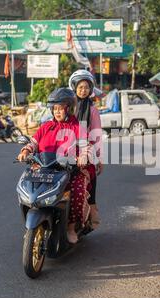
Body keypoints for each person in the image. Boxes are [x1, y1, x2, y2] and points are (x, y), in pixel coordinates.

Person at [17, 88, 95, 244]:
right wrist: (26, 151)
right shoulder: (46, 126)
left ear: (69, 108)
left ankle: (71, 227)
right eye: (55, 109)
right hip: (44, 168)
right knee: (27, 188)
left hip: (69, 170)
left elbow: (87, 146)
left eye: (61, 108)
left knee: (78, 190)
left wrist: (83, 156)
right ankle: (32, 226)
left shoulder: (78, 128)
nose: (57, 112)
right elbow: (33, 142)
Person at [69, 69, 103, 230]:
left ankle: (91, 209)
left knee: (90, 175)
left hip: (86, 150)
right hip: (66, 149)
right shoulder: (67, 108)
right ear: (74, 88)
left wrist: (99, 158)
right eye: (80, 87)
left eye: (86, 87)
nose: (83, 90)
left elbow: (97, 135)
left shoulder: (93, 110)